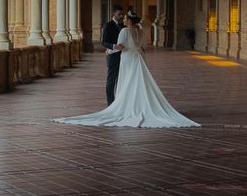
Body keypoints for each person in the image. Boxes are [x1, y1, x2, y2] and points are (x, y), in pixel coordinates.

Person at [54, 13, 198, 128]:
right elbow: (144, 46)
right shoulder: (141, 31)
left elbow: (120, 46)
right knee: (138, 81)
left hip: (127, 57)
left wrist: (108, 52)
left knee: (127, 80)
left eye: (126, 18)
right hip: (138, 56)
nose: (124, 19)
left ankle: (127, 105)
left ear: (129, 21)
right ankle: (141, 104)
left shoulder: (124, 30)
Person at [101, 7, 124, 105]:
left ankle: (118, 102)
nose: (121, 16)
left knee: (120, 79)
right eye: (119, 14)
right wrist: (114, 46)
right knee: (111, 79)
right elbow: (104, 42)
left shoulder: (123, 26)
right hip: (112, 56)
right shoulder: (108, 25)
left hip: (123, 56)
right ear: (113, 14)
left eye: (122, 14)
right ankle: (110, 103)